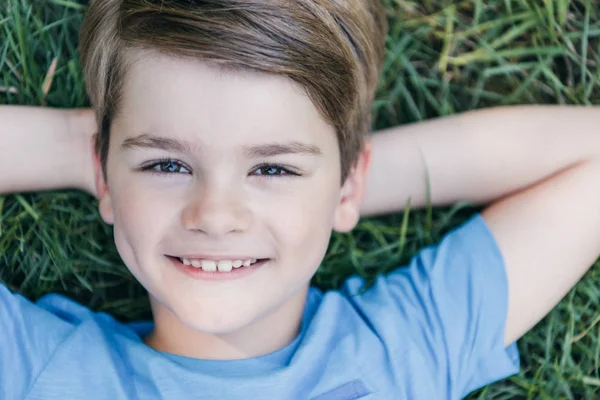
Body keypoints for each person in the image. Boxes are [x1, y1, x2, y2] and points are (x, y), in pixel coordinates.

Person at [1, 0, 599, 399]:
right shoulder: (39, 366)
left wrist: (335, 187)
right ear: (105, 177)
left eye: (273, 167)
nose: (216, 216)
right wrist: (77, 146)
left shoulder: (397, 353)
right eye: (166, 163)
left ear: (349, 185)